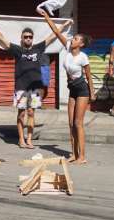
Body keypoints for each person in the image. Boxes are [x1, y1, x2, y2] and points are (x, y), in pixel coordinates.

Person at [0, 14, 72, 149]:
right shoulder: (17, 50)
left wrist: (64, 25)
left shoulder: (38, 48)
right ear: (22, 38)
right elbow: (2, 39)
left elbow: (53, 36)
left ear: (32, 39)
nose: (28, 39)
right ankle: (21, 139)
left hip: (35, 88)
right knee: (21, 113)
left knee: (32, 113)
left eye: (30, 37)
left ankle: (29, 140)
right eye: (25, 37)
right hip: (21, 87)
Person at [39, 9, 95, 164]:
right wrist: (47, 17)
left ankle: (82, 157)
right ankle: (74, 154)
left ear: (81, 43)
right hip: (72, 90)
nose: (73, 39)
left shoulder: (83, 57)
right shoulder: (68, 48)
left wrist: (92, 93)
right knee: (70, 124)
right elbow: (56, 31)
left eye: (76, 38)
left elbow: (89, 76)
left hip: (82, 90)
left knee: (78, 123)